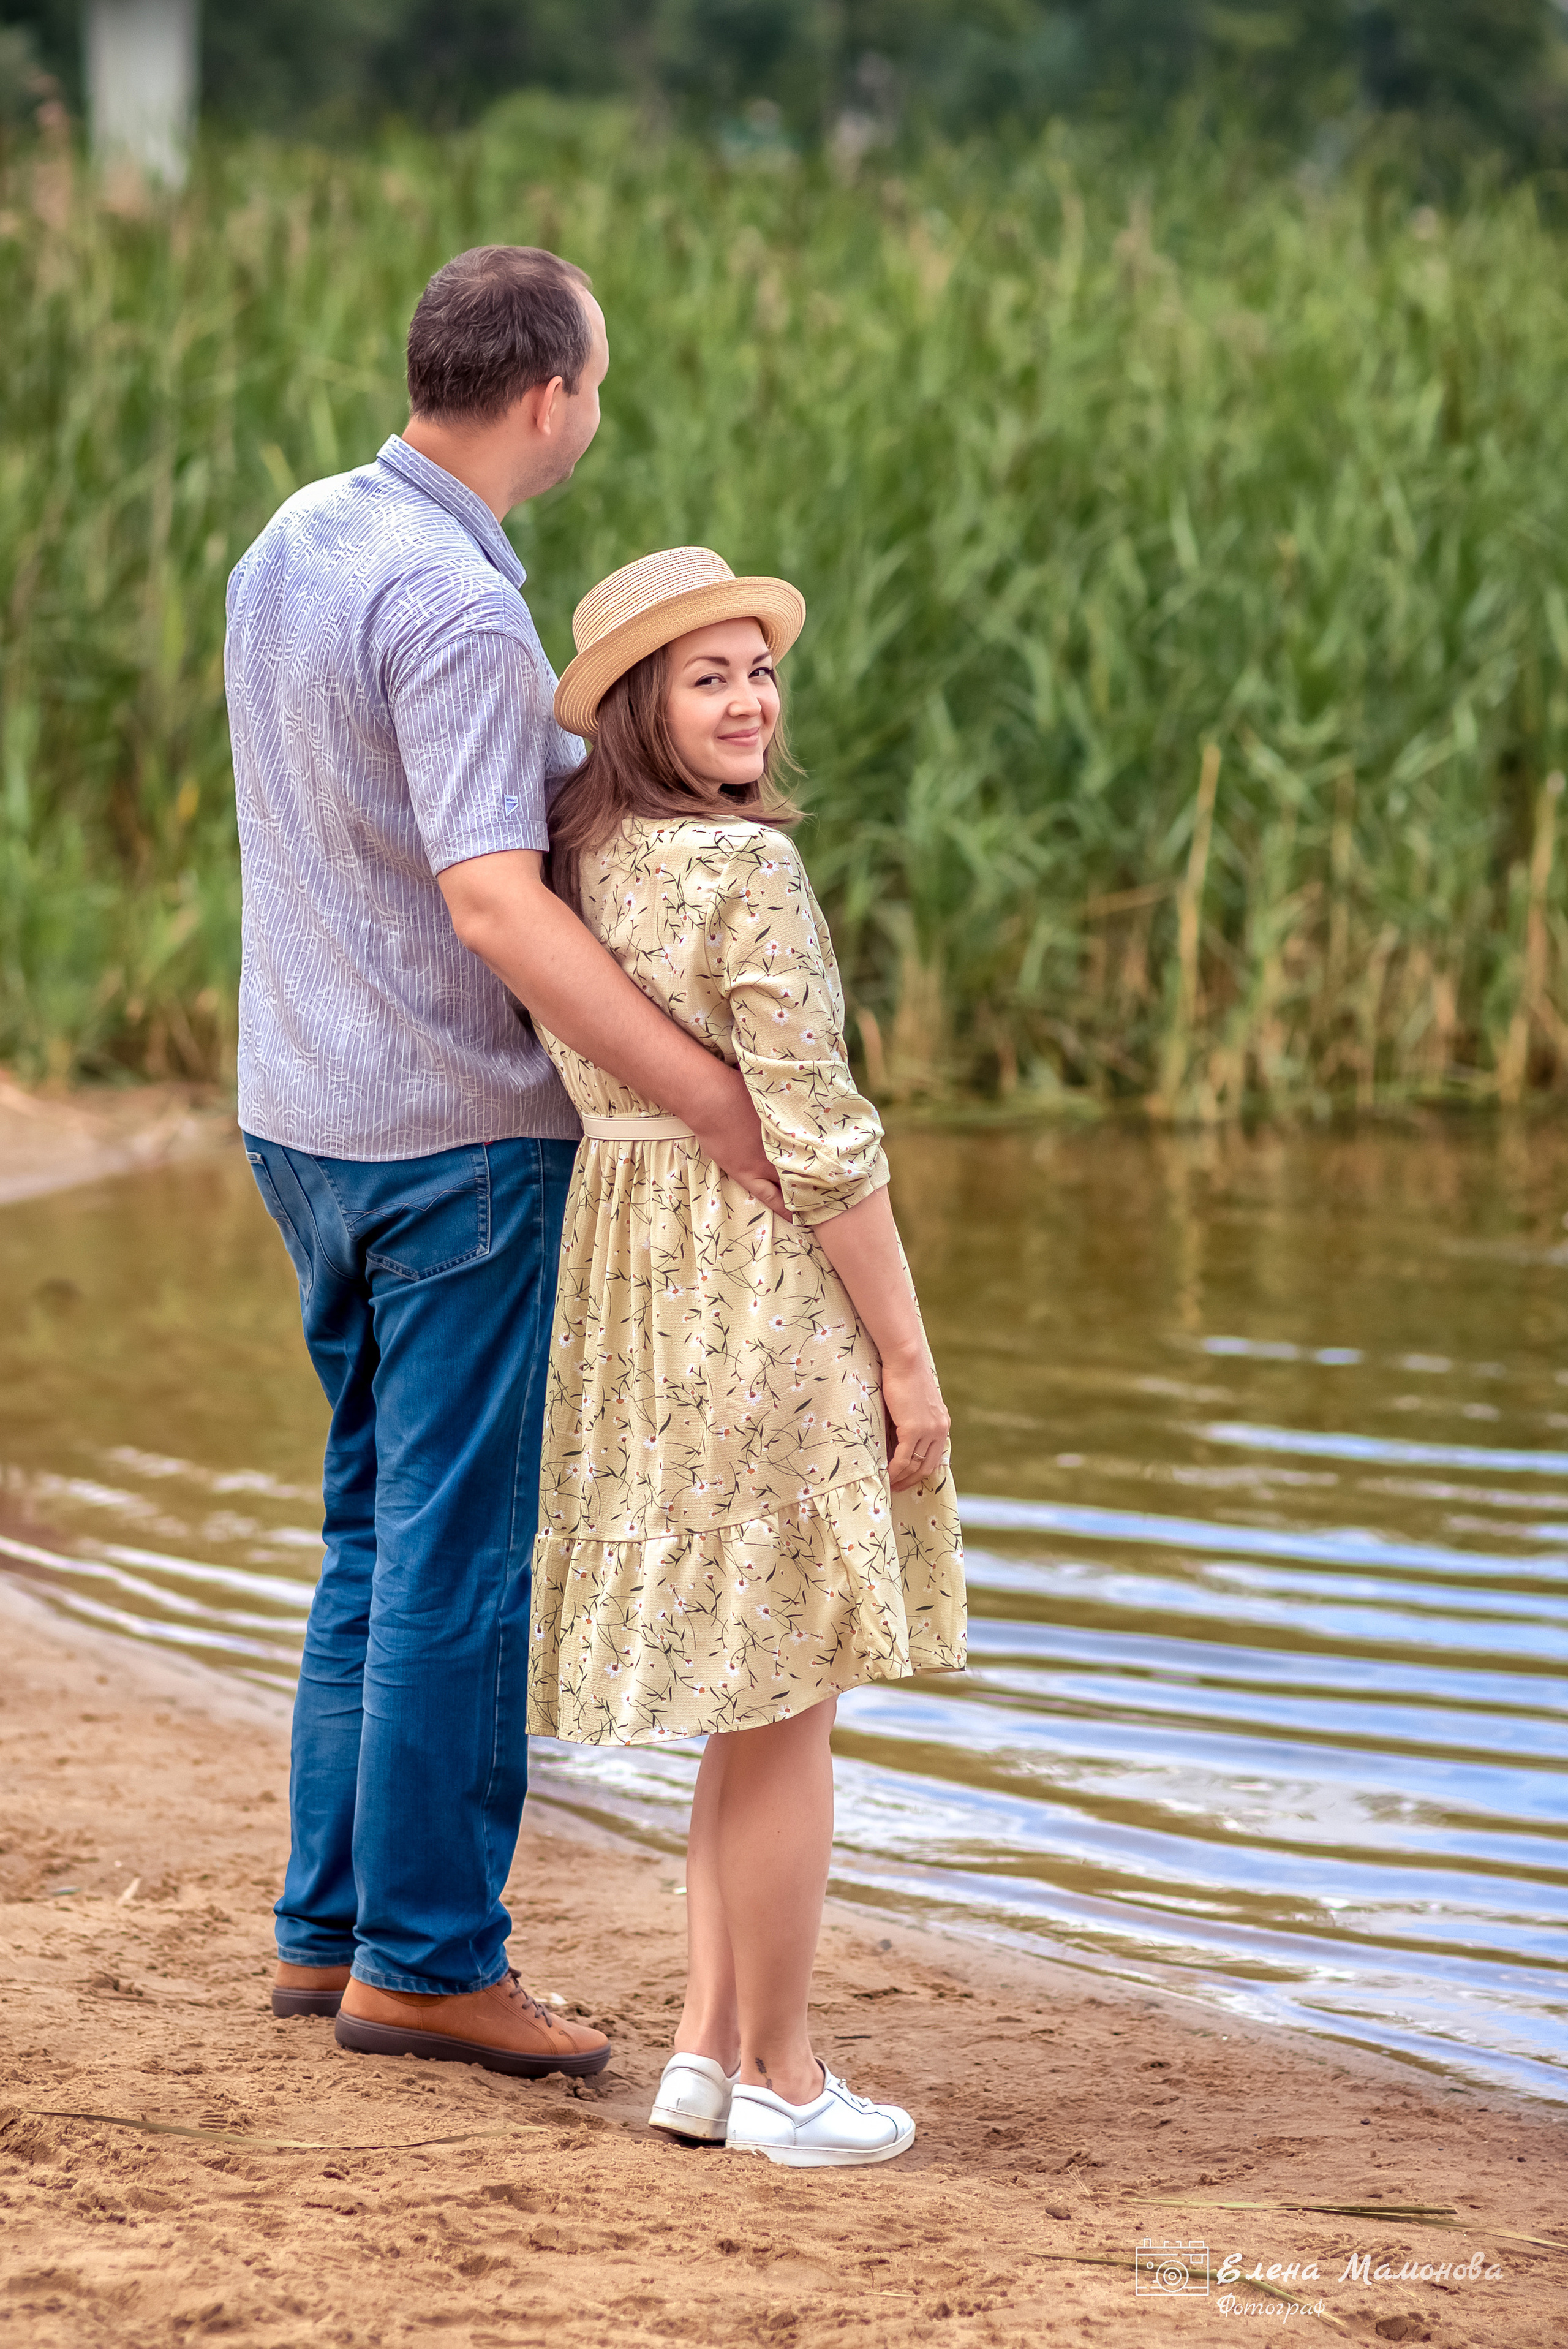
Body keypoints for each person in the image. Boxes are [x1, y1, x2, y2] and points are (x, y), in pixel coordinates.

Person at [226, 249, 794, 2079]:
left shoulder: (296, 538)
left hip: (301, 1115)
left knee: (371, 1527)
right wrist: (706, 1092)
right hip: (452, 1135)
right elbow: (491, 900)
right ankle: (427, 1959)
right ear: (551, 397)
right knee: (458, 1557)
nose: (597, 411)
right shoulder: (463, 609)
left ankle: (332, 1929)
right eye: (598, 384)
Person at [526, 545, 967, 2163]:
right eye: (707, 678)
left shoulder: (583, 860)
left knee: (753, 1695)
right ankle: (786, 2074)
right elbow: (824, 1141)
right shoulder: (744, 869)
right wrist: (907, 1359)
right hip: (759, 1288)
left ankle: (705, 2057)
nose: (749, 703)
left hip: (636, 1290)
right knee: (792, 1707)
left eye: (760, 671)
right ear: (642, 706)